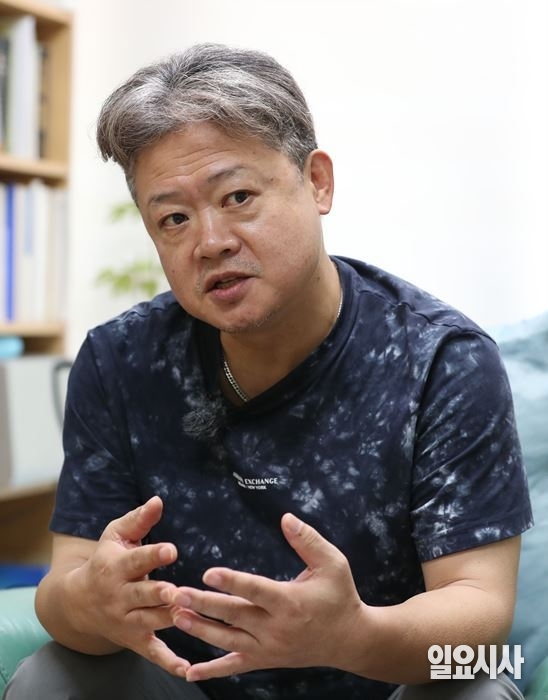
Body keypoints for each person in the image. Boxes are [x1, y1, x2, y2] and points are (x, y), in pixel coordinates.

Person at [4, 43, 532, 700]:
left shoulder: (441, 361)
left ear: (318, 182)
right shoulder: (120, 361)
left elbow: (480, 615)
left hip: (385, 682)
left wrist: (352, 635)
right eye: (174, 219)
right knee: (52, 677)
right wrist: (89, 602)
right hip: (189, 686)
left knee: (475, 688)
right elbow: (67, 582)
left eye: (238, 196)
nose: (211, 241)